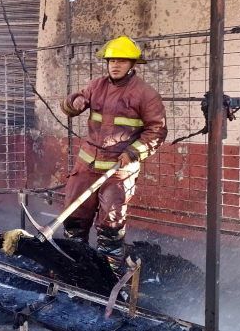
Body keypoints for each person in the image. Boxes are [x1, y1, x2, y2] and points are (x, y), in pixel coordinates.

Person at [59, 35, 167, 275]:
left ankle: (108, 274)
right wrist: (74, 101)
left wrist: (133, 152)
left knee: (110, 223)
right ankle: (75, 264)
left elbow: (157, 130)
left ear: (132, 64)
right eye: (111, 61)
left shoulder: (145, 94)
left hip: (118, 171)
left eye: (121, 61)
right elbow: (73, 102)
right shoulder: (97, 85)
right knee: (75, 217)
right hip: (86, 167)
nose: (115, 65)